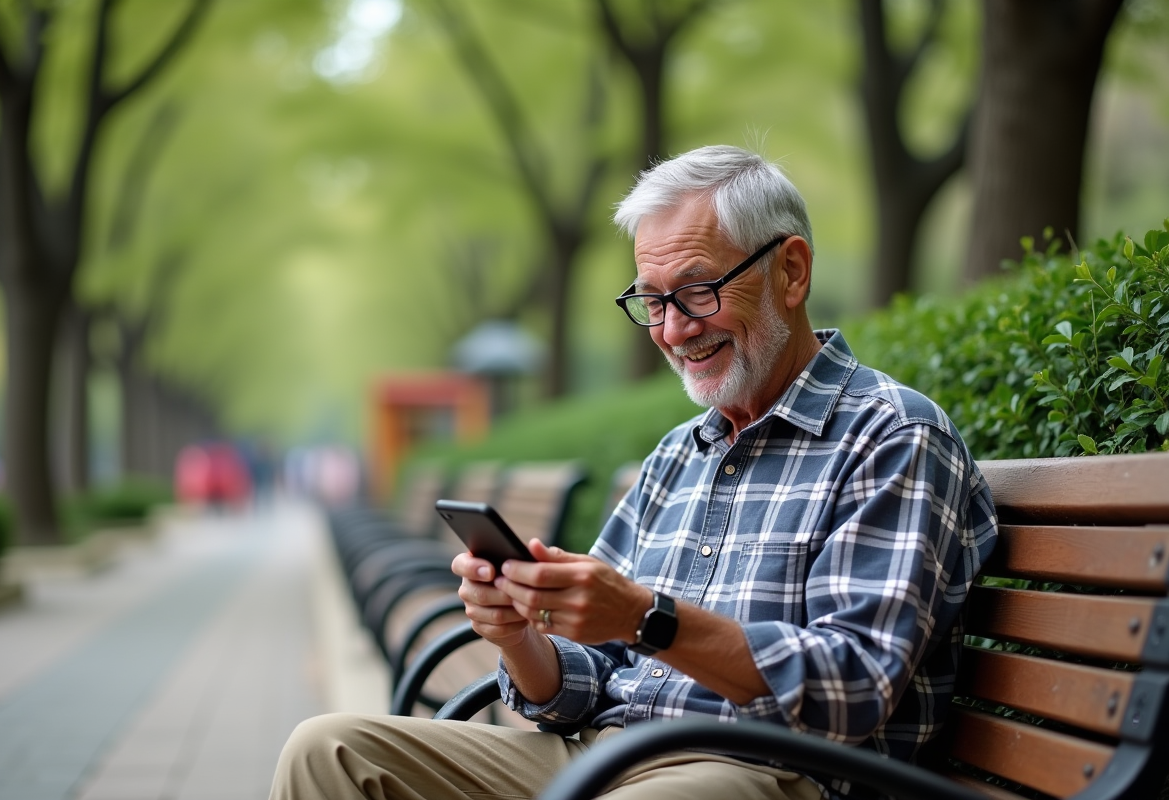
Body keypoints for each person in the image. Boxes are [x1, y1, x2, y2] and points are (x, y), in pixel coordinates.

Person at [268, 145, 998, 800]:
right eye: (653, 300)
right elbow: (583, 683)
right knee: (326, 753)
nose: (674, 330)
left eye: (699, 290)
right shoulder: (679, 454)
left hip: (767, 772)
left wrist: (648, 618)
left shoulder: (891, 436)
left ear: (792, 271)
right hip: (605, 757)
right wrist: (520, 637)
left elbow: (855, 687)